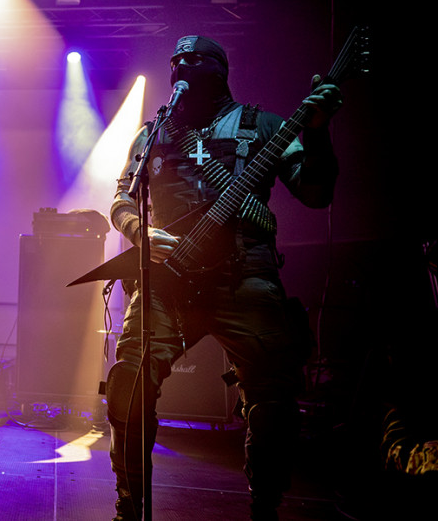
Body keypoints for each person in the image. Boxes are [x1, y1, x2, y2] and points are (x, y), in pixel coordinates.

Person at [105, 35, 342, 520]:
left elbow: (316, 193)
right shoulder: (153, 133)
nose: (180, 66)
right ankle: (130, 504)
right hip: (168, 280)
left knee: (273, 397)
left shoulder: (265, 126)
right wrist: (139, 232)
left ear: (219, 68)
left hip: (245, 275)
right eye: (175, 60)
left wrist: (318, 133)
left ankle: (265, 507)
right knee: (128, 383)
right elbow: (122, 198)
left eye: (192, 59)